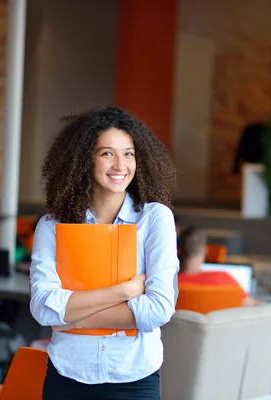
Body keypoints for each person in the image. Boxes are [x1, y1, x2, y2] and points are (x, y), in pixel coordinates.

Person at [29, 106, 178, 400]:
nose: (120, 165)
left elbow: (158, 309)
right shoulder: (52, 226)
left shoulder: (154, 219)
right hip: (67, 375)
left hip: (134, 376)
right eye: (107, 153)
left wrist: (74, 319)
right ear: (85, 159)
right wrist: (125, 290)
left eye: (129, 154)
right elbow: (44, 308)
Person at [177, 226, 260, 306]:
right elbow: (250, 304)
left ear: (178, 251)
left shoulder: (169, 282)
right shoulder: (222, 278)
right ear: (205, 250)